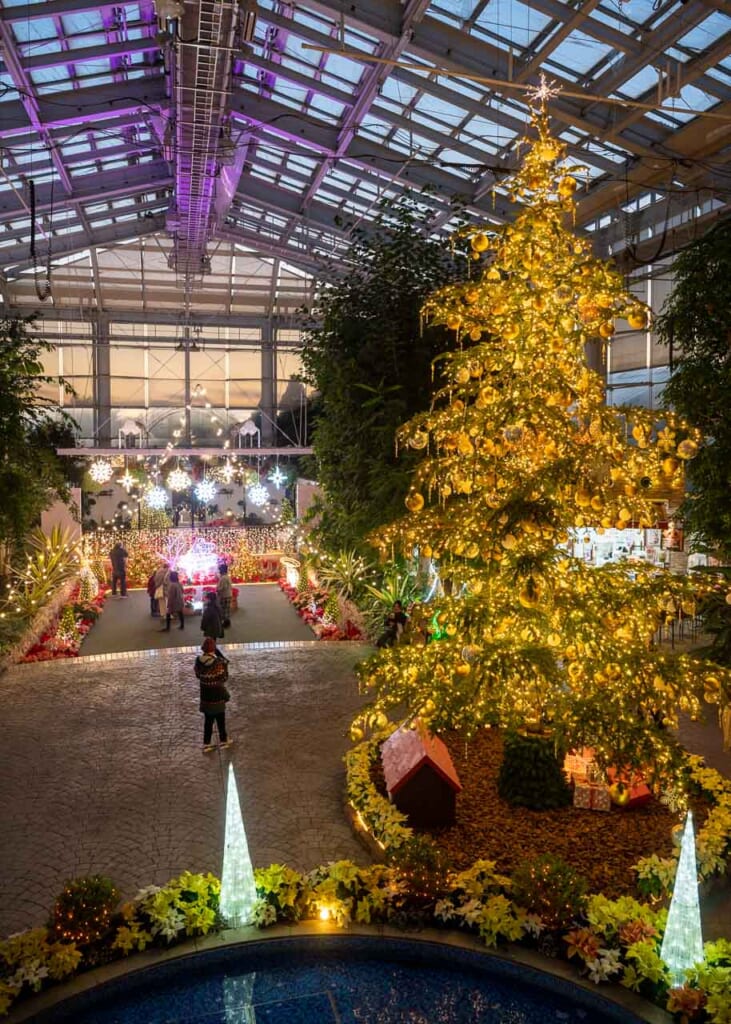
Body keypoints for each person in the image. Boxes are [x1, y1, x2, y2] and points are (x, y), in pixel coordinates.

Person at [194, 637, 232, 752]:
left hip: (205, 697)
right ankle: (224, 741)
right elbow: (223, 678)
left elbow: (197, 675)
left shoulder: (198, 661)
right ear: (213, 649)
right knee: (221, 721)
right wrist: (225, 667)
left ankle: (206, 744)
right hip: (217, 696)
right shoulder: (217, 662)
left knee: (208, 722)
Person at [216, 563, 233, 628]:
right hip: (228, 595)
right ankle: (227, 622)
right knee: (226, 609)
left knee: (224, 609)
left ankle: (226, 623)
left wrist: (217, 589)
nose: (219, 571)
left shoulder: (223, 578)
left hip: (225, 595)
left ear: (222, 570)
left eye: (220, 570)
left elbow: (223, 587)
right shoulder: (227, 577)